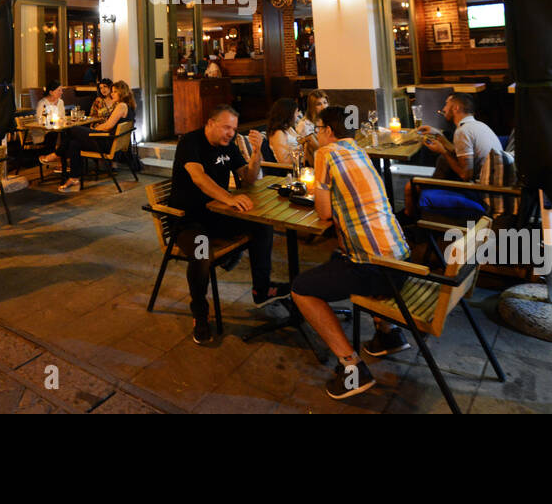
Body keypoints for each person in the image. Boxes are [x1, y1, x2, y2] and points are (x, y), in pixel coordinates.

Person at [291, 106, 413, 399]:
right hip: (402, 262)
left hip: (377, 271)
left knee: (301, 289)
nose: (316, 135)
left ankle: (352, 367)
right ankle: (388, 333)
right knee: (341, 255)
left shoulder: (325, 154)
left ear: (329, 131)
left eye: (318, 129)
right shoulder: (359, 150)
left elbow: (323, 213)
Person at [169, 104, 289, 345]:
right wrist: (230, 198)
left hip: (217, 216)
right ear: (210, 124)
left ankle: (261, 289)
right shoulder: (190, 143)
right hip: (188, 221)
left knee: (262, 225)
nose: (230, 133)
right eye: (226, 127)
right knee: (202, 253)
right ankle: (200, 314)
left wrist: (256, 153)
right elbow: (199, 178)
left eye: (233, 129)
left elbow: (248, 178)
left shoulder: (229, 146)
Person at [56, 80, 134, 191]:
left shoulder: (121, 106)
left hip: (107, 143)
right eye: (112, 92)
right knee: (74, 143)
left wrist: (93, 130)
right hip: (110, 141)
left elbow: (107, 126)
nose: (112, 94)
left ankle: (57, 154)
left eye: (115, 92)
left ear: (122, 92)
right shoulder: (127, 106)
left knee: (72, 129)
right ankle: (74, 178)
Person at [33, 80, 67, 166]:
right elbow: (40, 121)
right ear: (51, 92)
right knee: (59, 134)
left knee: (68, 133)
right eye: (59, 90)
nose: (61, 92)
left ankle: (61, 160)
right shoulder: (42, 103)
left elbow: (62, 117)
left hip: (56, 130)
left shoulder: (60, 102)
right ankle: (60, 161)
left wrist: (58, 121)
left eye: (61, 90)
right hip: (43, 132)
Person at [266, 97, 301, 165]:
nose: (298, 115)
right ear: (288, 114)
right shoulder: (278, 133)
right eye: (296, 112)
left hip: (300, 161)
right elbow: (284, 161)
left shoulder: (289, 128)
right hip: (291, 168)